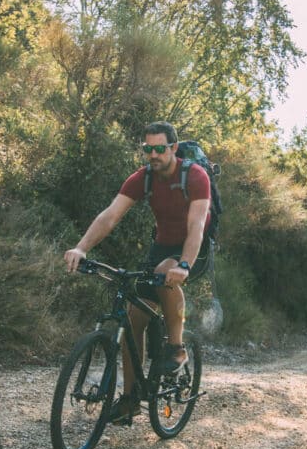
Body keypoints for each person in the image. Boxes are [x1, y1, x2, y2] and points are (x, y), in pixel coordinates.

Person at [63, 121, 212, 424]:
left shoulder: (195, 176)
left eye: (160, 148)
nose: (153, 155)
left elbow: (196, 225)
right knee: (133, 320)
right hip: (161, 247)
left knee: (165, 273)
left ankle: (176, 347)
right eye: (148, 149)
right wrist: (81, 248)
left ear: (173, 148)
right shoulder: (143, 178)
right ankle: (130, 398)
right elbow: (110, 215)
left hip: (194, 249)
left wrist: (183, 264)